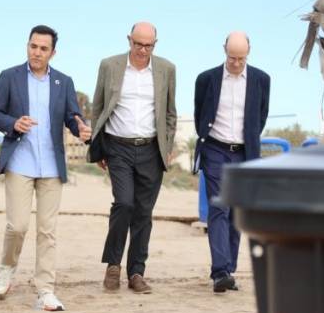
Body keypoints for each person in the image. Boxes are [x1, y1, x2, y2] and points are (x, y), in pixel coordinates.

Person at [0, 25, 92, 311]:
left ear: (53, 53)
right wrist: (13, 124)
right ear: (27, 46)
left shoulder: (64, 82)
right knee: (18, 225)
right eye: (33, 46)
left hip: (51, 166)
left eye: (43, 48)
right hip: (20, 161)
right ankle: (7, 268)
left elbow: (72, 117)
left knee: (47, 231)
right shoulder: (9, 77)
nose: (37, 52)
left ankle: (45, 289)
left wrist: (80, 126)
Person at [87, 22, 176, 294]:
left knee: (143, 214)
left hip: (151, 149)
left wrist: (167, 145)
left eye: (148, 45)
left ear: (155, 44)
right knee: (124, 204)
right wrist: (99, 147)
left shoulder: (167, 70)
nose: (142, 50)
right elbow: (98, 106)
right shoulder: (109, 66)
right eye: (138, 44)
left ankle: (136, 272)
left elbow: (170, 113)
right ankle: (113, 265)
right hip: (118, 147)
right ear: (129, 40)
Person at [193, 32, 270, 292]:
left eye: (241, 58)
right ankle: (220, 272)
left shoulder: (261, 80)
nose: (236, 63)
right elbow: (199, 115)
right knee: (219, 207)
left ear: (248, 54)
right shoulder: (207, 79)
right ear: (224, 51)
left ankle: (229, 269)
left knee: (237, 213)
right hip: (215, 149)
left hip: (244, 154)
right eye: (231, 57)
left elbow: (260, 118)